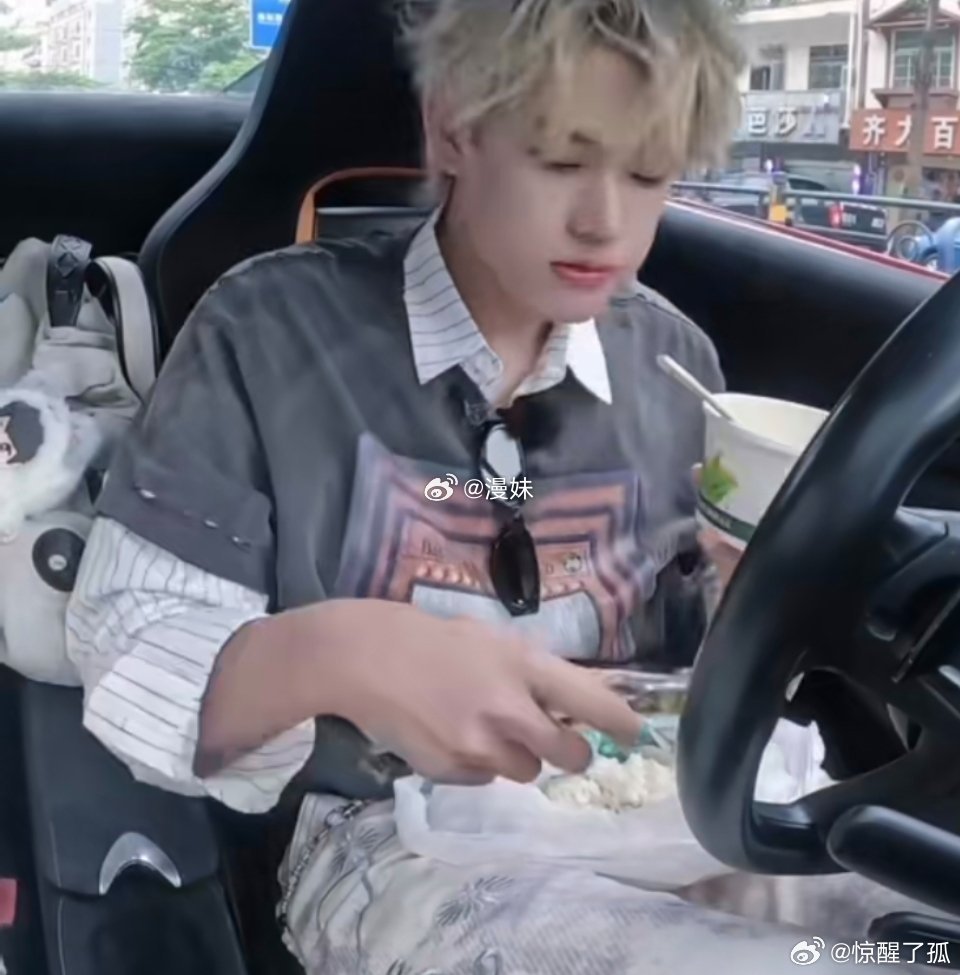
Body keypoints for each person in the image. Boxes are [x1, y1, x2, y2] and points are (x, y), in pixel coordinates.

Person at [64, 1, 921, 972]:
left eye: (648, 175)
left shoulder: (674, 366)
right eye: (560, 161)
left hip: (649, 810)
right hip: (389, 837)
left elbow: (688, 651)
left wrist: (747, 602)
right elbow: (132, 645)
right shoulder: (267, 333)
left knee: (905, 929)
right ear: (454, 128)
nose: (604, 220)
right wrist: (337, 652)